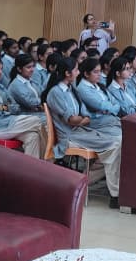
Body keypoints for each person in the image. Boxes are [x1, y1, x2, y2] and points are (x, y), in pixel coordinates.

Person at [42, 56, 121, 207]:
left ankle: (81, 182)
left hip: (81, 131)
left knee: (117, 145)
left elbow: (86, 115)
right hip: (70, 136)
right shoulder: (56, 92)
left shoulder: (72, 90)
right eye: (76, 70)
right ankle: (114, 194)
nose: (78, 73)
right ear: (67, 73)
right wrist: (81, 119)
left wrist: (82, 119)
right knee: (113, 145)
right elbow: (71, 119)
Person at [75, 58, 123, 131]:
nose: (99, 74)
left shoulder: (100, 85)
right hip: (96, 121)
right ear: (86, 74)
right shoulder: (82, 88)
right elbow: (100, 105)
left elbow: (115, 102)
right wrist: (111, 108)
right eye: (96, 72)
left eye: (100, 71)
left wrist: (110, 109)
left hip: (108, 118)